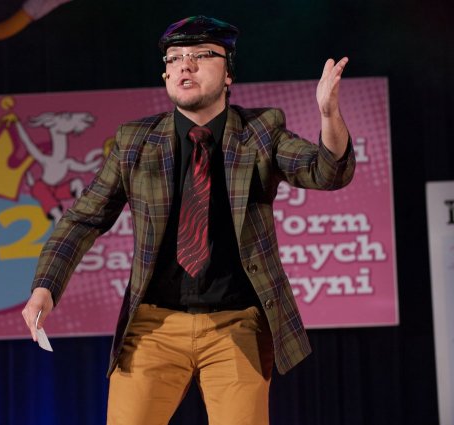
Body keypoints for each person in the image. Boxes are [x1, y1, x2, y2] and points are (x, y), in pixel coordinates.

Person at [22, 15, 355, 425]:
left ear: (228, 73)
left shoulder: (260, 132)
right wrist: (45, 287)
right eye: (175, 57)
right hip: (153, 325)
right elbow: (82, 220)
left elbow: (327, 172)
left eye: (201, 55)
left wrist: (329, 115)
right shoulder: (136, 142)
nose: (186, 64)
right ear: (165, 73)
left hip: (236, 326)